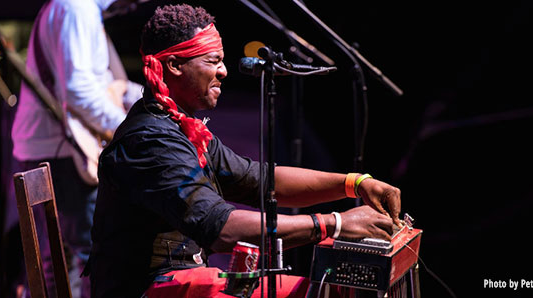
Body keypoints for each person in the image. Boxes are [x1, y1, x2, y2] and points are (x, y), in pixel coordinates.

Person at [87, 4, 403, 298]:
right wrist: (334, 223)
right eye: (212, 61)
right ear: (174, 65)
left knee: (320, 290)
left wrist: (354, 183)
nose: (224, 71)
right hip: (150, 290)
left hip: (184, 280)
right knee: (317, 292)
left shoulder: (179, 126)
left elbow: (257, 179)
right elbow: (220, 228)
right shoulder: (150, 142)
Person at [10, 0, 149, 296]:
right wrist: (129, 130)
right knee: (98, 254)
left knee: (58, 261)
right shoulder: (76, 8)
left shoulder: (80, 10)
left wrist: (150, 99)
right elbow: (79, 91)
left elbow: (105, 84)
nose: (138, 4)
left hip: (53, 149)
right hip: (60, 152)